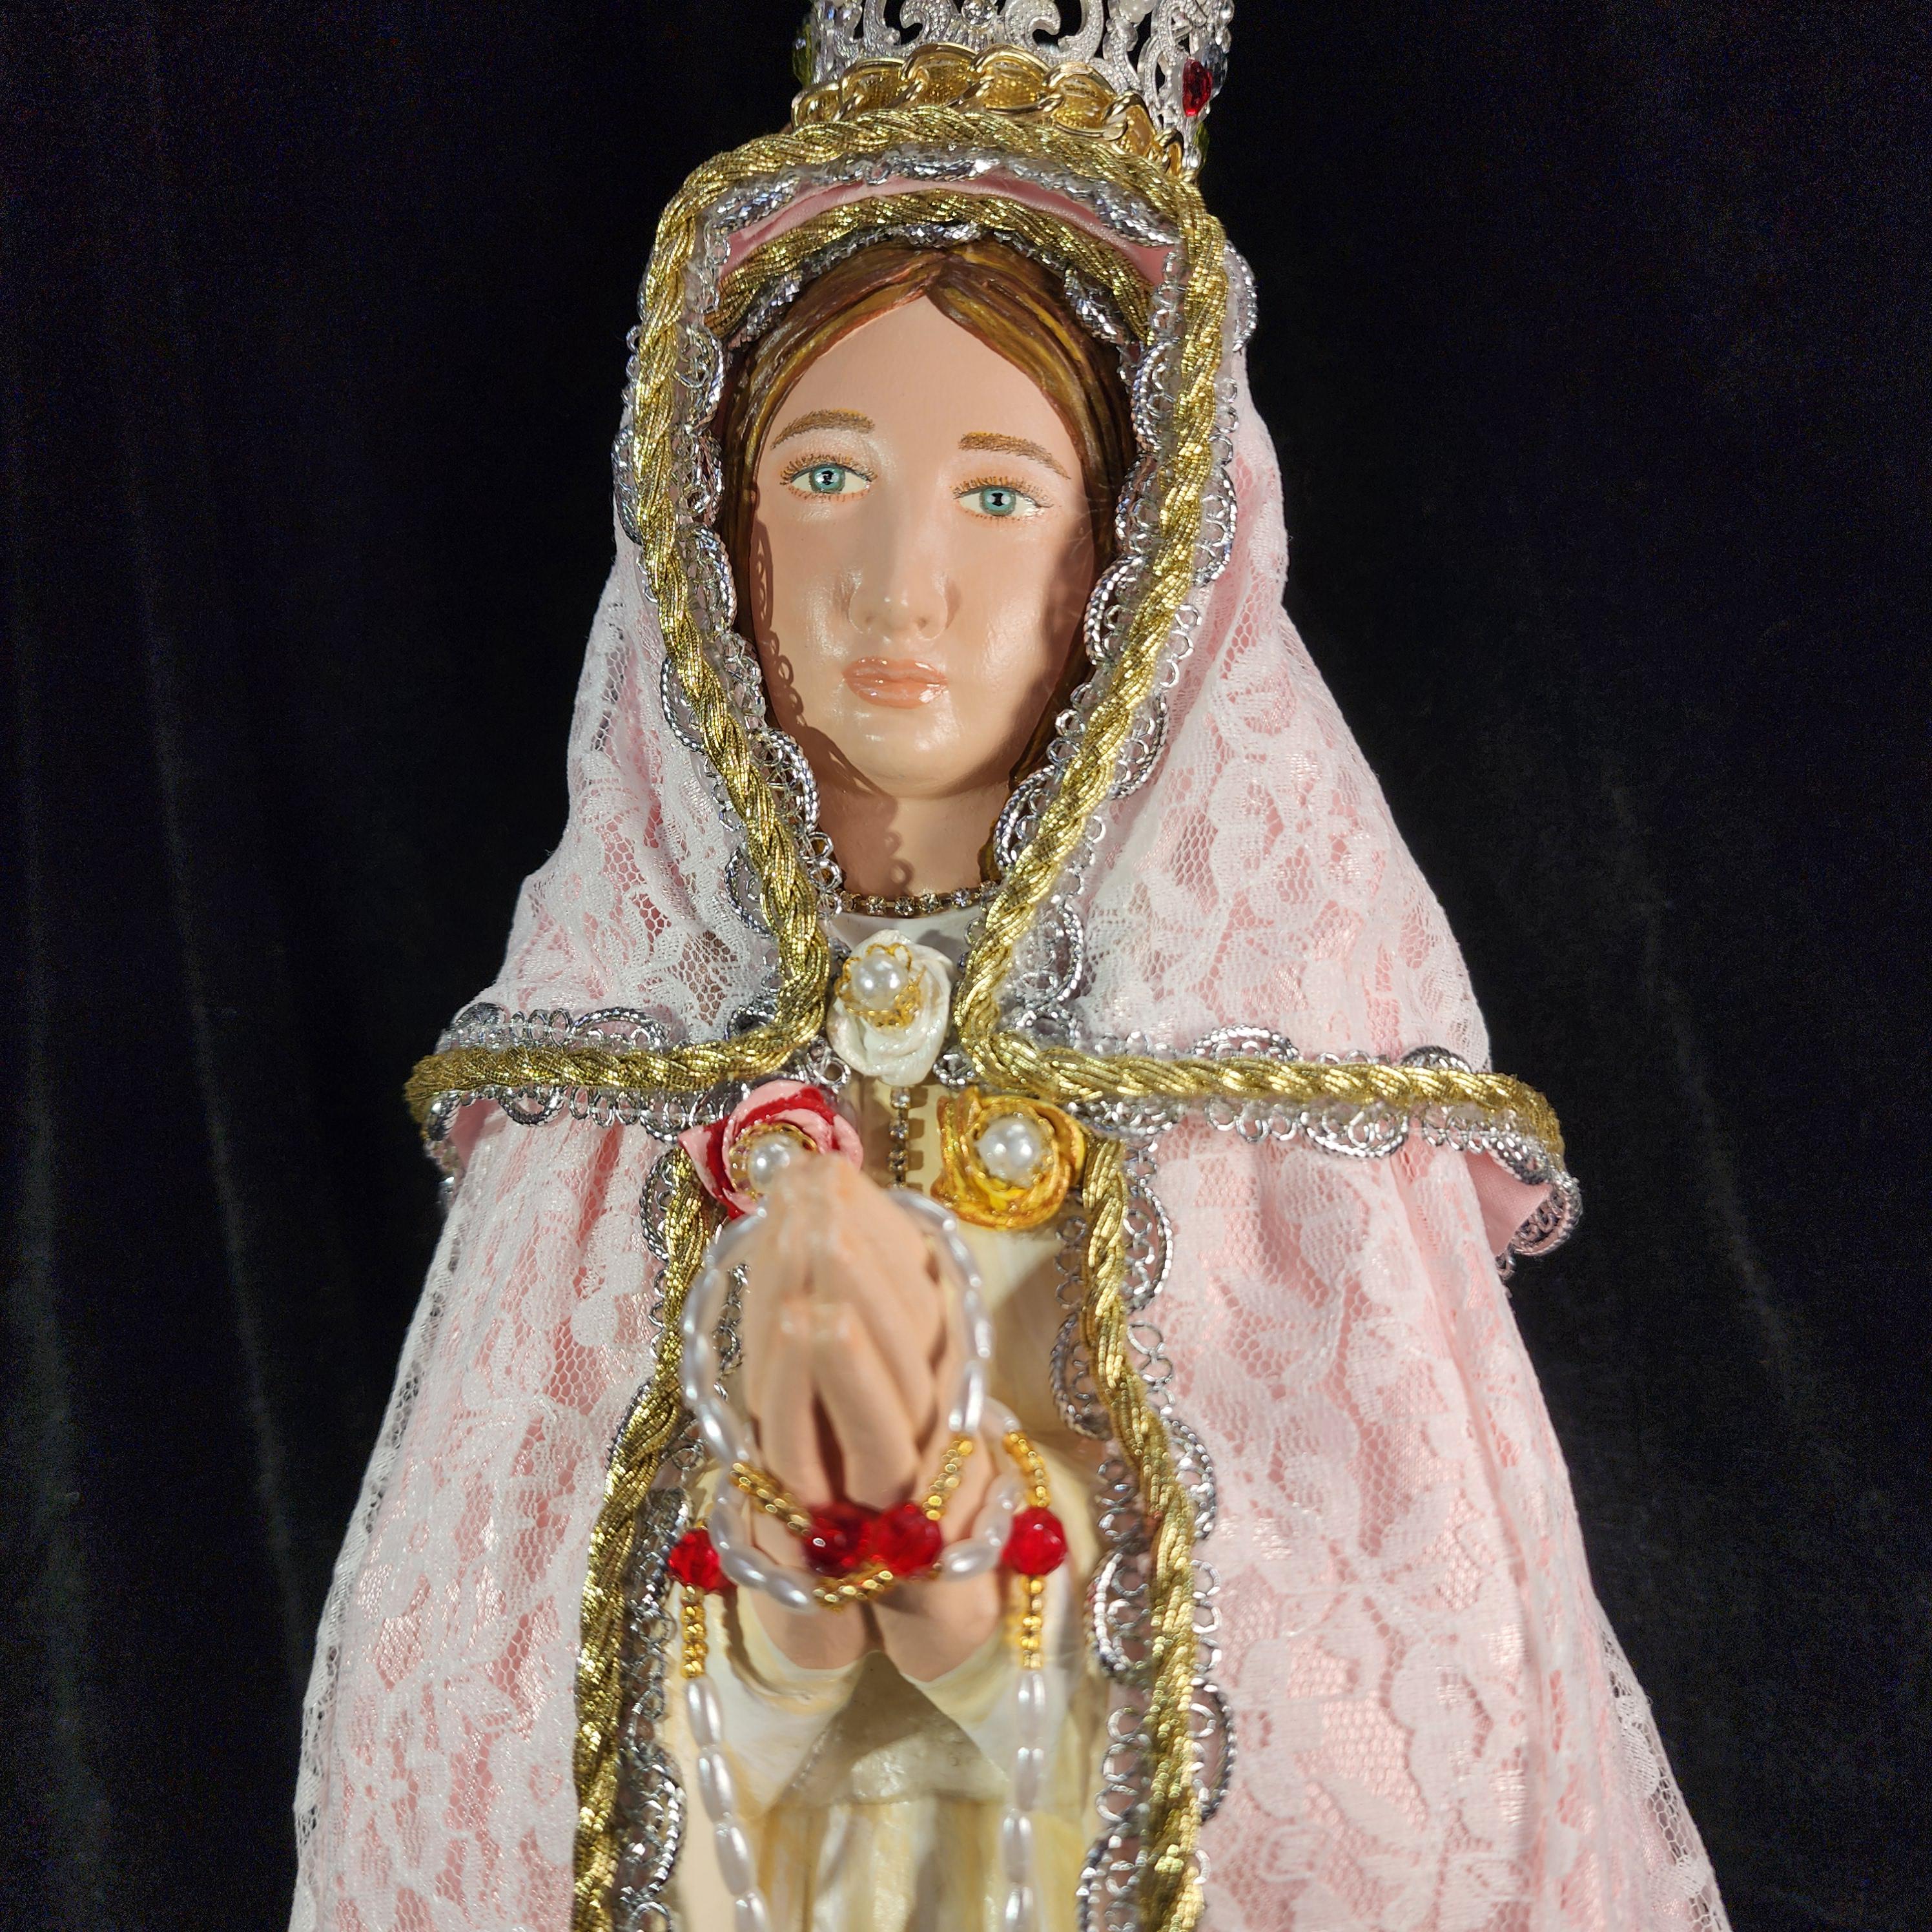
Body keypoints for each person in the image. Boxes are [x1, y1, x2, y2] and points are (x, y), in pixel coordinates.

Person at [292, 9, 1731, 1930]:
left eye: (997, 494)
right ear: (711, 526)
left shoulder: (1263, 1106)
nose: (901, 585)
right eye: (824, 475)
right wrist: (793, 1563)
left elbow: (1398, 1766)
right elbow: (472, 1721)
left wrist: (950, 1550)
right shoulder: (616, 1085)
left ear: (1135, 556)